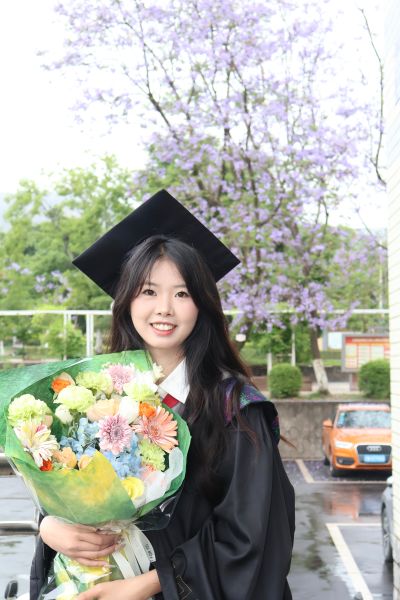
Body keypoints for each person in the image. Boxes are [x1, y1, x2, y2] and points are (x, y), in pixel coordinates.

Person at [31, 190, 295, 600]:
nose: (165, 309)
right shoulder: (94, 396)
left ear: (202, 305)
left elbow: (255, 535)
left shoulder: (235, 408)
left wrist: (148, 585)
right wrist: (50, 527)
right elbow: (67, 491)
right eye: (149, 291)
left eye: (183, 293)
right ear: (126, 300)